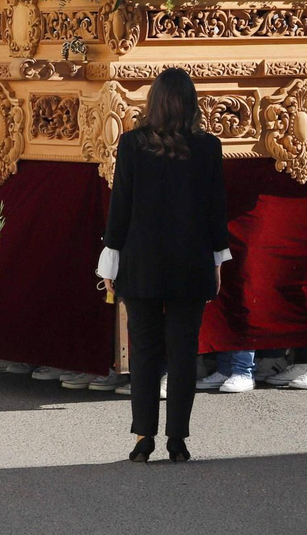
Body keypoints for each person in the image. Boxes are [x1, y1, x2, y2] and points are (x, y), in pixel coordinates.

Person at [96, 68, 231, 463]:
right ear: (191, 103)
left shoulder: (133, 144)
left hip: (141, 262)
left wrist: (110, 259)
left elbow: (119, 208)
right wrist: (218, 259)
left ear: (153, 101)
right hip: (191, 262)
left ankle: (143, 438)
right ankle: (178, 440)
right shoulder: (208, 147)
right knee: (184, 352)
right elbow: (215, 210)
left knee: (145, 353)